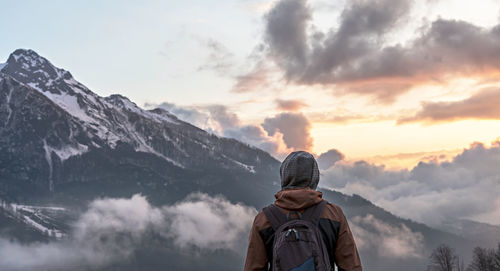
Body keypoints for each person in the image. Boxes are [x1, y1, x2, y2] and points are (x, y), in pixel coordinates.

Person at [244, 150, 362, 271]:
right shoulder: (334, 214)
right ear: (314, 178)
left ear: (284, 177)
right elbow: (351, 267)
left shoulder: (264, 219)